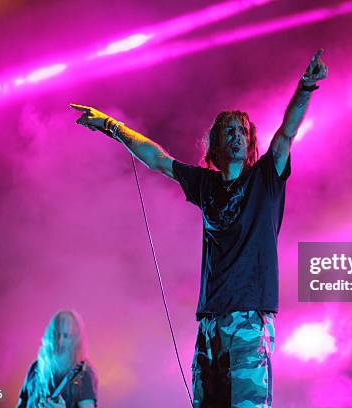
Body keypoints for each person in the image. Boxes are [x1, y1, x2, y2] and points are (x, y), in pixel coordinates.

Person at [71, 49, 327, 407]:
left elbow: (286, 134)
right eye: (227, 131)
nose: (235, 136)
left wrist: (304, 89)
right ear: (216, 145)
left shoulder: (265, 178)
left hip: (248, 321)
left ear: (249, 141)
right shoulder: (205, 185)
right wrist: (111, 126)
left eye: (241, 131)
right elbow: (157, 159)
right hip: (209, 324)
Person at [17, 310, 98, 408]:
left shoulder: (84, 373)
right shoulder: (35, 368)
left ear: (75, 340)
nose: (60, 342)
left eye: (66, 336)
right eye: (56, 335)